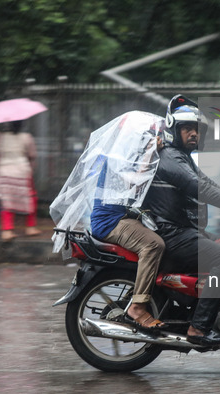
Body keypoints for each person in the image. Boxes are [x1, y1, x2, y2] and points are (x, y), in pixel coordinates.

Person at [143, 95, 220, 345]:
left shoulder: (183, 158)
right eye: (187, 128)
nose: (193, 134)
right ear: (173, 130)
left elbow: (209, 184)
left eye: (197, 130)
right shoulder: (170, 157)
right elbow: (201, 188)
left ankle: (207, 317)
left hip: (183, 231)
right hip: (173, 234)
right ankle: (198, 329)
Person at [90, 117, 167, 330]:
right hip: (110, 221)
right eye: (147, 136)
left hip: (122, 217)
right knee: (153, 244)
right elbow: (135, 182)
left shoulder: (129, 155)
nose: (150, 139)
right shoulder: (117, 156)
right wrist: (152, 151)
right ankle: (137, 306)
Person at [0, 121, 41, 241]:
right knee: (30, 198)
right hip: (22, 172)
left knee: (6, 201)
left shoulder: (0, 138)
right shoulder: (27, 137)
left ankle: (7, 230)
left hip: (4, 171)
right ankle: (30, 227)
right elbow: (32, 155)